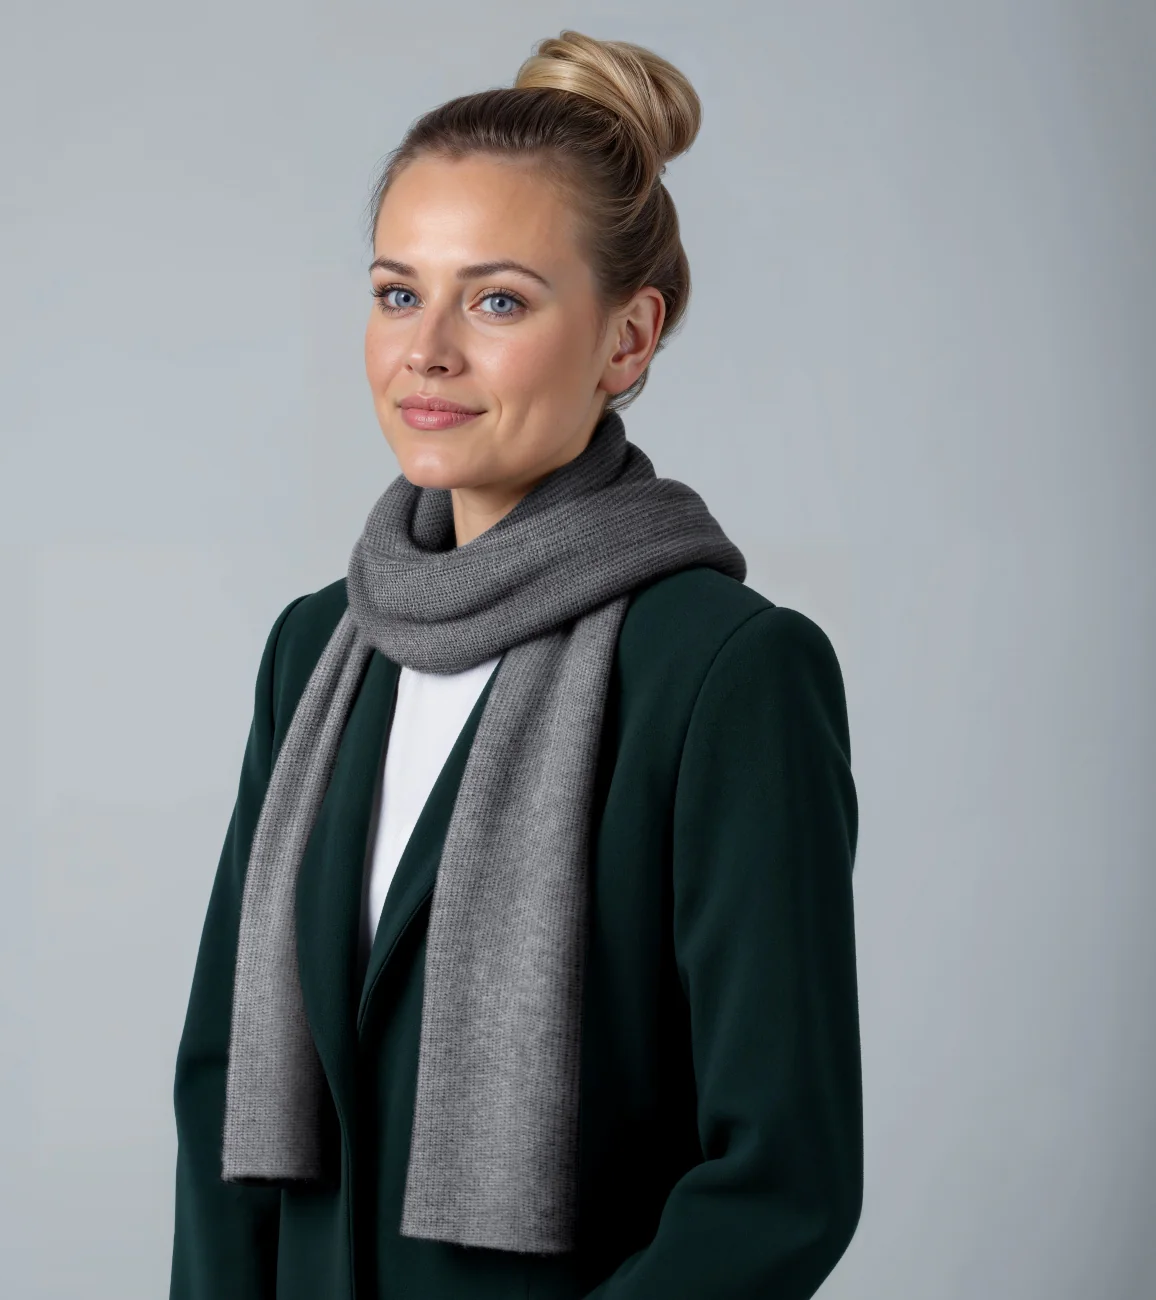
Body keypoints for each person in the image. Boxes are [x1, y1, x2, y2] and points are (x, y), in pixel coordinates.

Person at [169, 29, 862, 1300]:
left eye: (496, 301)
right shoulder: (314, 649)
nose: (426, 350)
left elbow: (781, 1177)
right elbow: (226, 1079)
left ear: (627, 339)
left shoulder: (724, 674)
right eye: (397, 293)